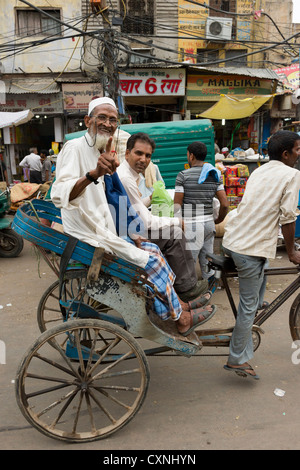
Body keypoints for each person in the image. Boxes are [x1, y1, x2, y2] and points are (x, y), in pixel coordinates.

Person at [51, 97, 216, 336]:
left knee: (154, 251)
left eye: (113, 120)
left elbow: (110, 204)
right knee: (150, 262)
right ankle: (179, 318)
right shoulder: (75, 147)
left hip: (105, 230)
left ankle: (176, 304)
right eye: (102, 118)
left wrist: (127, 234)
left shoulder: (101, 150)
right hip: (87, 232)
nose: (108, 124)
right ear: (88, 120)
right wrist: (93, 174)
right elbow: (60, 193)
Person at [222, 130, 300, 380]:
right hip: (248, 248)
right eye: (298, 149)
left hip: (234, 239)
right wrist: (292, 251)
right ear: (286, 154)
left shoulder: (259, 170)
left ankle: (257, 303)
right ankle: (237, 359)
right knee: (247, 307)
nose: (299, 154)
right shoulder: (291, 174)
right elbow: (288, 217)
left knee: (262, 267)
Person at [117, 132, 210, 302]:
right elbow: (147, 221)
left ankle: (175, 282)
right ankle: (186, 287)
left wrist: (150, 199)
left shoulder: (127, 174)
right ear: (127, 153)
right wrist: (177, 221)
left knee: (171, 229)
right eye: (139, 153)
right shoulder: (125, 178)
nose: (143, 159)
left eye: (147, 156)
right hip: (127, 234)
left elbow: (134, 205)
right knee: (174, 234)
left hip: (127, 227)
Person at [174, 141, 229, 281]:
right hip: (209, 225)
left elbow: (177, 205)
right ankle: (208, 292)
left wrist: (177, 224)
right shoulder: (215, 175)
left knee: (189, 263)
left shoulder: (183, 175)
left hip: (192, 225)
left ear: (191, 156)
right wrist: (219, 220)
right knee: (208, 261)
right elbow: (224, 204)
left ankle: (190, 295)